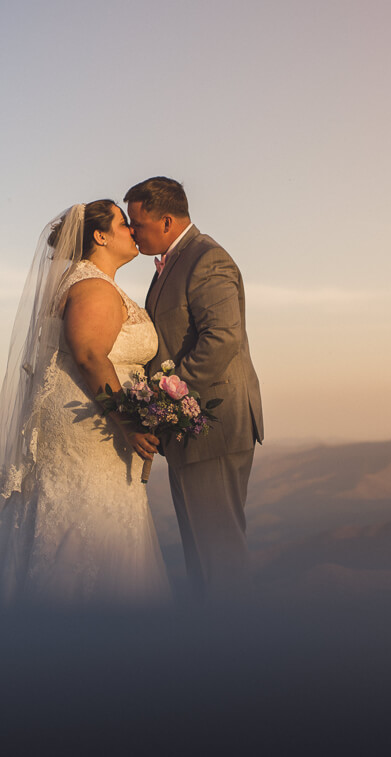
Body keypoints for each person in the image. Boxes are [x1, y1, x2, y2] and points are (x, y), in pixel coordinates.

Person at [0, 200, 171, 608]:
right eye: (123, 223)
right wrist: (127, 420)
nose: (132, 230)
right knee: (87, 519)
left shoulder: (88, 281)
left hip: (87, 418)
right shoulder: (93, 287)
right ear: (100, 235)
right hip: (91, 422)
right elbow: (89, 354)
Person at [125, 177, 263, 603]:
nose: (132, 232)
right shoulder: (175, 261)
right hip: (191, 429)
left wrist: (164, 400)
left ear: (167, 221)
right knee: (203, 557)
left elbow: (221, 340)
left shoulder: (208, 260)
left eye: (138, 223)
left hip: (214, 425)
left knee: (219, 556)